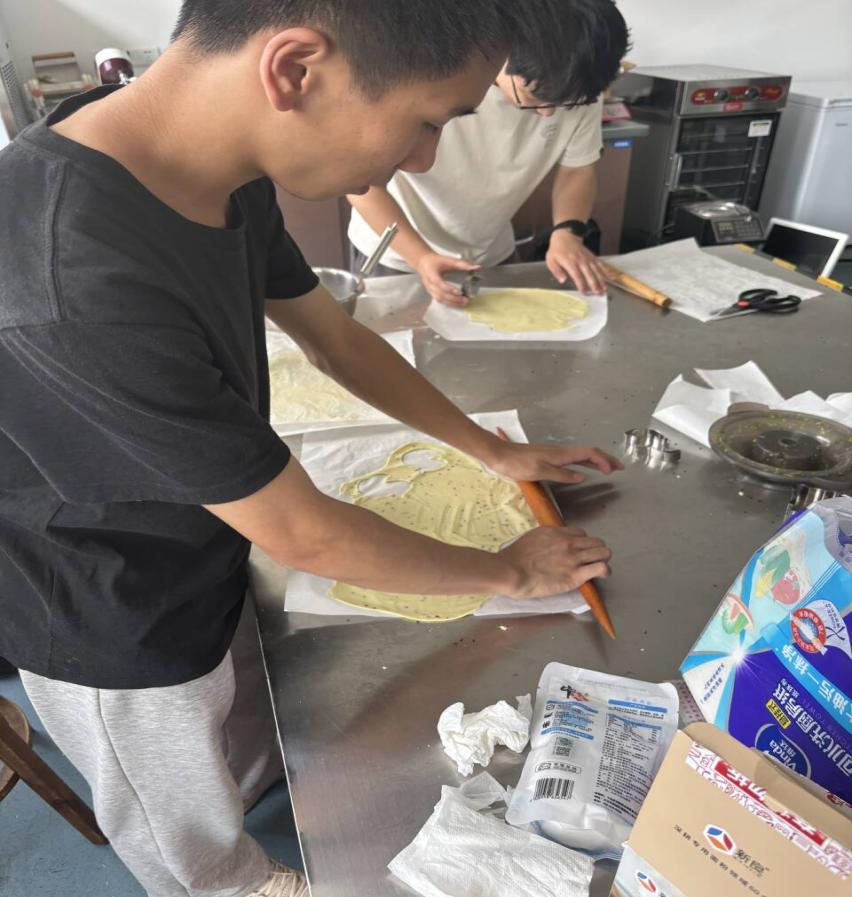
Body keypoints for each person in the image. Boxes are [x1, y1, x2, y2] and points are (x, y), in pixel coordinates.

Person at [0, 2, 621, 896]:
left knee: (238, 739)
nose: (423, 160)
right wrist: (510, 571)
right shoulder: (71, 269)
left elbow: (335, 338)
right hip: (106, 606)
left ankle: (250, 803)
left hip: (205, 534)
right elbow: (306, 533)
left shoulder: (221, 167)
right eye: (427, 122)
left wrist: (491, 450)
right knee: (178, 819)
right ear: (294, 69)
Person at [348, 0, 629, 304]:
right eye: (535, 96)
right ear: (504, 49)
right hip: (397, 253)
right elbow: (362, 185)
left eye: (565, 104)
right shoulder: (433, 76)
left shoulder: (579, 87)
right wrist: (420, 257)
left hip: (491, 252)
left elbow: (577, 169)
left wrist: (567, 232)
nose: (548, 113)